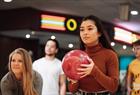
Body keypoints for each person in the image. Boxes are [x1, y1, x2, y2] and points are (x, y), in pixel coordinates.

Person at [67, 15, 119, 95]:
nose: (85, 33)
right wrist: (74, 81)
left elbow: (113, 87)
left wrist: (94, 71)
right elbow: (72, 90)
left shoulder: (110, 55)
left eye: (90, 29)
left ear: (99, 33)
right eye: (82, 30)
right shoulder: (77, 56)